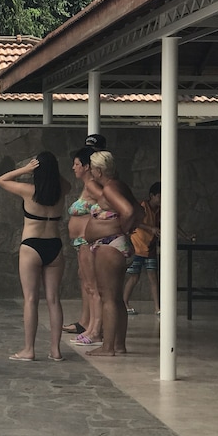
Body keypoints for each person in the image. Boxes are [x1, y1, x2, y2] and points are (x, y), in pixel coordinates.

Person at [0, 152, 71, 362]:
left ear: (36, 169)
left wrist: (26, 169)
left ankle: (29, 349)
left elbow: (1, 180)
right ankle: (55, 350)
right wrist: (51, 170)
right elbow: (65, 183)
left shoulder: (28, 190)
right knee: (53, 299)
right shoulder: (61, 190)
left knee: (30, 299)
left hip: (32, 246)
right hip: (54, 245)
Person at [83, 150, 142, 358]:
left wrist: (121, 229)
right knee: (116, 298)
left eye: (92, 169)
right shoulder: (119, 185)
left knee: (107, 297)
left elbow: (129, 211)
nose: (91, 172)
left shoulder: (109, 188)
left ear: (99, 171)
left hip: (110, 246)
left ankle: (108, 347)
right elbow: (140, 211)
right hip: (115, 244)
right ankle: (118, 345)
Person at [63, 147, 103, 347]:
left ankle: (96, 330)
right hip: (81, 242)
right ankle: (90, 326)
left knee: (94, 287)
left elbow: (108, 200)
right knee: (88, 285)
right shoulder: (87, 186)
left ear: (86, 166)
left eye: (77, 164)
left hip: (88, 241)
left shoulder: (93, 185)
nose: (74, 168)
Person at [124, 182, 161, 316]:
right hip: (137, 246)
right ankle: (125, 304)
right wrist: (151, 228)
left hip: (150, 248)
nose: (161, 200)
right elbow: (135, 221)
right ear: (152, 196)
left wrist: (185, 235)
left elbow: (173, 222)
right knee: (134, 277)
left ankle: (157, 308)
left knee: (153, 277)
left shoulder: (161, 210)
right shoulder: (142, 206)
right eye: (159, 196)